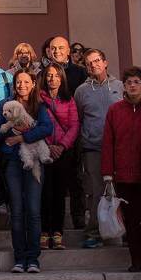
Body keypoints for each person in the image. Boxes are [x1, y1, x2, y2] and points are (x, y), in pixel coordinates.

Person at [0, 71, 53, 273]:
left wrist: (22, 137)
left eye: (26, 81)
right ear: (14, 84)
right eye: (18, 81)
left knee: (34, 211)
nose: (22, 85)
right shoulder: (4, 105)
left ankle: (33, 258)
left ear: (33, 83)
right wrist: (12, 132)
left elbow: (47, 128)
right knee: (17, 211)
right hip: (12, 162)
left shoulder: (39, 105)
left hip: (34, 159)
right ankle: (19, 258)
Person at [101, 67, 141, 272]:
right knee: (131, 221)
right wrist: (108, 173)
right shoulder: (115, 110)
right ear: (123, 86)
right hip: (123, 176)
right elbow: (108, 142)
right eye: (128, 83)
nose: (132, 86)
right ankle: (136, 260)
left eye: (136, 82)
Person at [74, 49, 123, 248]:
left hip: (120, 149)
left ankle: (124, 230)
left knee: (122, 188)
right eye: (89, 63)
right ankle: (93, 232)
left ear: (105, 62)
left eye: (96, 61)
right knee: (96, 191)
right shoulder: (81, 91)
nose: (93, 65)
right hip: (93, 148)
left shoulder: (120, 86)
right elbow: (78, 120)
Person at [47, 36, 89, 229]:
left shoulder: (80, 73)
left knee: (75, 179)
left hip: (74, 131)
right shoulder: (43, 74)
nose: (56, 51)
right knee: (53, 182)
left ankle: (78, 218)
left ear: (68, 51)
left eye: (61, 48)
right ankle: (55, 223)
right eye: (53, 48)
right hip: (50, 136)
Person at [38, 63, 79, 251]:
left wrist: (61, 146)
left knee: (59, 193)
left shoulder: (68, 99)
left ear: (62, 78)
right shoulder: (39, 98)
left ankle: (58, 232)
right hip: (44, 150)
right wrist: (48, 145)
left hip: (63, 152)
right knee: (45, 193)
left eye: (56, 75)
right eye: (49, 75)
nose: (52, 79)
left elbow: (74, 125)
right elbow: (36, 123)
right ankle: (44, 232)